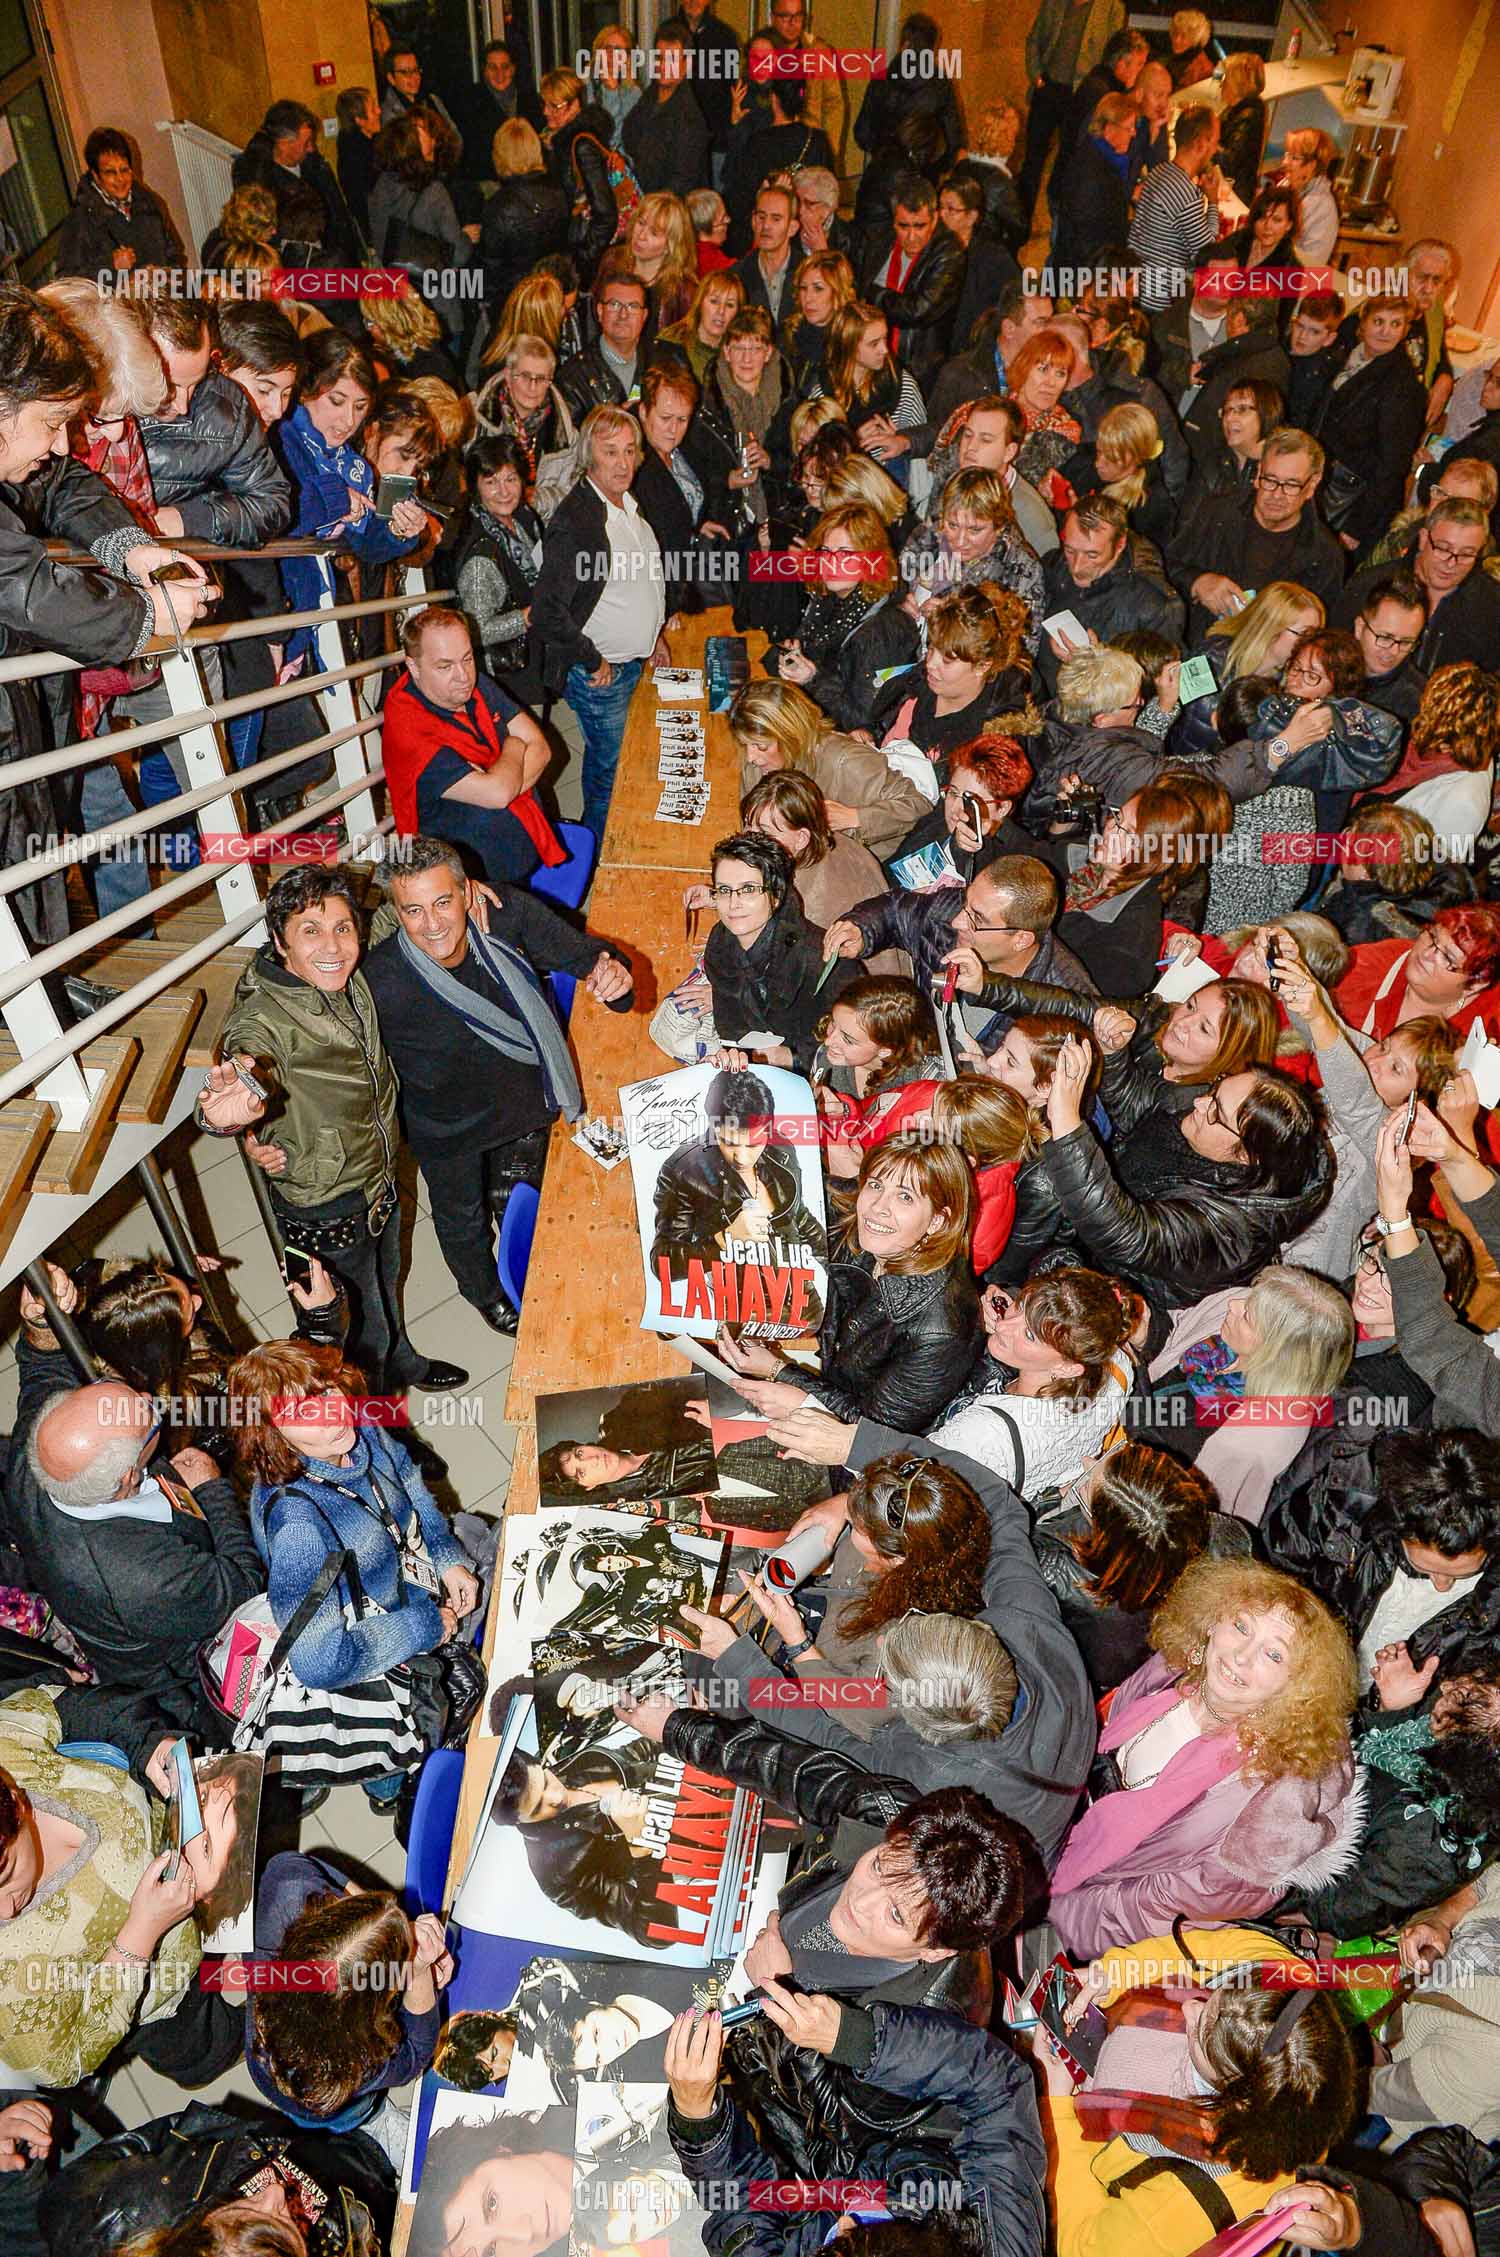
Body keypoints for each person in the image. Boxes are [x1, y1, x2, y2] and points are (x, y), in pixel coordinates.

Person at [197, 866, 466, 1393]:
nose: (333, 947)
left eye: (343, 928)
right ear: (279, 943)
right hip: (323, 1202)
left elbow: (401, 911)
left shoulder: (346, 969)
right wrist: (222, 1112)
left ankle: (403, 1363)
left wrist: (462, 893)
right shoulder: (264, 1017)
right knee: (351, 1336)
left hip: (376, 1176)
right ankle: (380, 1417)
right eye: (311, 931)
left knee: (387, 1289)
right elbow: (248, 1058)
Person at [363, 835, 633, 1330]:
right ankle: (485, 1295)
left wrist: (612, 973)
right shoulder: (378, 981)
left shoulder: (505, 916)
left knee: (532, 1206)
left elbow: (583, 955)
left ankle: (531, 1272)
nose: (433, 924)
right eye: (414, 910)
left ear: (469, 893)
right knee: (462, 1221)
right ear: (397, 913)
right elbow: (328, 1054)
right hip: (446, 1130)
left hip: (524, 1104)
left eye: (443, 901)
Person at [1047, 1555, 1362, 1954]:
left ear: (1297, 1686)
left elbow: (1147, 1915)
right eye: (1241, 1626)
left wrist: (1042, 1913)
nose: (1241, 1657)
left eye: (1274, 1655)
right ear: (1214, 1620)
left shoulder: (1263, 1817)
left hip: (1067, 1920)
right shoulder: (1175, 1670)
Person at [6, 1262, 262, 1728]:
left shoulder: (41, 1445)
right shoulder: (146, 1577)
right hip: (178, 1667)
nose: (146, 1398)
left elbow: (43, 1370)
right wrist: (213, 1490)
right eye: (148, 1419)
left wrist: (42, 1322)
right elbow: (242, 1587)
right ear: (127, 1478)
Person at [228, 1334, 479, 1801]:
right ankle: (387, 1787)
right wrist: (424, 1626)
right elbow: (320, 1662)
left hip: (408, 1588)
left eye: (325, 1391)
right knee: (397, 1740)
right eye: (301, 1414)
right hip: (379, 1643)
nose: (331, 1414)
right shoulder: (297, 1526)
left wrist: (445, 1555)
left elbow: (405, 1477)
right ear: (272, 1434)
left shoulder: (356, 1422)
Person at [1037, 1924, 1360, 2257]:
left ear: (1235, 2101)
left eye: (1201, 2030)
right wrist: (1115, 1973)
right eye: (1216, 1990)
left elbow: (1081, 2245)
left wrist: (1057, 2106)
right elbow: (1204, 1950)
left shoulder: (1195, 2206)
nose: (1190, 2004)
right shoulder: (1281, 1990)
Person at [666, 1998, 1047, 2257]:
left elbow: (739, 2207)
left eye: (834, 2245)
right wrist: (855, 2037)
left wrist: (696, 2113)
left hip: (829, 2161)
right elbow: (998, 2087)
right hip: (929, 2134)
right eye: (862, 2232)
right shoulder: (1005, 2246)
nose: (846, 2218)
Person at [0, 1686, 242, 2088]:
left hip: (207, 1878)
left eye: (4, 1875)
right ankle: (222, 2051)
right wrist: (139, 1935)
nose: (6, 1913)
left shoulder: (7, 1744)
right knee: (199, 2043)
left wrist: (145, 1745)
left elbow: (66, 1706)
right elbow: (66, 2062)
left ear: (11, 1796)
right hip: (162, 1993)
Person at [1039, 1032, 1333, 1332]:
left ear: (1246, 1157)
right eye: (1217, 1087)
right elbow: (1140, 1101)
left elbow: (1124, 1232)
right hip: (1081, 1225)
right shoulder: (1206, 1118)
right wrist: (1114, 1054)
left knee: (1038, 1188)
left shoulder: (1233, 1232)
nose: (1200, 1101)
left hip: (1106, 1289)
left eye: (1216, 1111)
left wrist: (1065, 1121)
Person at [718, 1134, 979, 1433]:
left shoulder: (941, 1329)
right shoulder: (877, 1229)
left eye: (905, 1196)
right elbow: (796, 1188)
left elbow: (875, 1430)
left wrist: (779, 1371)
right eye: (876, 1185)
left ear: (938, 1221)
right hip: (818, 1372)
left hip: (842, 1445)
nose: (878, 1207)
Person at [1265, 1424, 1500, 1709]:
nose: (1441, 1586)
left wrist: (1389, 1709)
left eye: (1462, 1575)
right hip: (1285, 1673)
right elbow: (1274, 1570)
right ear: (1399, 1528)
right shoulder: (1343, 1502)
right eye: (1426, 1569)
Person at [531, 402, 671, 842]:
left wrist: (655, 637)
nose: (623, 462)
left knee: (619, 761)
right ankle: (600, 855)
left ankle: (607, 841)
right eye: (611, 452)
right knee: (609, 774)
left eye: (630, 451)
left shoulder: (625, 505)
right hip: (601, 673)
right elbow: (547, 610)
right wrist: (591, 661)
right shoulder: (578, 521)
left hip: (632, 661)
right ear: (590, 455)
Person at [246, 1852, 452, 2127]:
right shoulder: (353, 2063)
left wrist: (375, 1930)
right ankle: (367, 2120)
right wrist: (419, 1970)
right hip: (315, 2097)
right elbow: (416, 2052)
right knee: (349, 2114)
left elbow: (299, 1864)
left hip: (263, 2058)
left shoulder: (289, 1888)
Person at [1147, 1264, 1357, 1524]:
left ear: (1275, 1352)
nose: (1233, 1304)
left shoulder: (1248, 1442)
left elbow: (1188, 1516)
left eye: (1247, 1315)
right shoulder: (1242, 1353)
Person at [830, 852, 1097, 1046]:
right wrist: (861, 929)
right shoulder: (954, 910)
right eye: (966, 903)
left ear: (1021, 940)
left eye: (977, 919)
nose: (958, 921)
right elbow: (896, 911)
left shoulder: (1064, 1002)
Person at [380, 605, 559, 887]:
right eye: (444, 666)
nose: (463, 675)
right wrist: (513, 746)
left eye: (467, 659)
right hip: (470, 885)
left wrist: (503, 781)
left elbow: (541, 748)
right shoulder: (409, 731)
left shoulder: (472, 685)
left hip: (518, 858)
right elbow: (498, 793)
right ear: (413, 667)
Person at [931, 1267, 1140, 1498]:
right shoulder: (1118, 1366)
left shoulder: (982, 1435)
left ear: (1066, 1367)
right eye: (1019, 1305)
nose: (1002, 1325)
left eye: (1029, 1335)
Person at [1032, 1440, 1223, 1692]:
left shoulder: (1050, 1566)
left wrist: (1048, 1501)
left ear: (1105, 1530)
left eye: (1089, 1485)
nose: (1086, 1461)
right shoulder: (1193, 1540)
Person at [700, 829, 859, 1073]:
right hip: (761, 1062)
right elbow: (729, 1025)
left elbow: (862, 1042)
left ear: (775, 896)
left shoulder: (821, 958)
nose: (733, 903)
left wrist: (792, 1057)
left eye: (749, 889)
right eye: (724, 890)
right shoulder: (720, 944)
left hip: (822, 1070)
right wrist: (736, 1056)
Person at [1169, 428, 1344, 644]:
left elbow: (1316, 640)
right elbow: (1168, 566)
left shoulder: (1324, 556)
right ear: (1258, 473)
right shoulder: (1217, 511)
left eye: (1291, 485)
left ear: (1312, 486)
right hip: (1198, 649)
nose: (1277, 495)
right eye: (1270, 480)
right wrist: (1198, 582)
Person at [771, 501, 921, 734]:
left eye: (844, 554)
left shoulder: (883, 629)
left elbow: (864, 720)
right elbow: (799, 645)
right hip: (812, 716)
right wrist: (791, 652)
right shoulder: (830, 596)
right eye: (826, 552)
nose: (830, 563)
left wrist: (812, 678)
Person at [1316, 292, 1430, 559]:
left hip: (1351, 498)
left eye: (1396, 324)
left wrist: (1357, 526)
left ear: (1405, 331)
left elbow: (1393, 465)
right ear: (1363, 323)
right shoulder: (1347, 356)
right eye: (1379, 321)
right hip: (1324, 480)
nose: (1385, 331)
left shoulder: (1403, 386)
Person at [1337, 495, 1500, 676]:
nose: (1451, 563)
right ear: (1423, 538)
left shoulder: (1490, 605)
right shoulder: (1370, 585)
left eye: (1467, 554)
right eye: (1443, 548)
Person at [1037, 495, 1179, 692]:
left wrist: (1095, 666)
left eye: (1092, 555)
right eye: (1070, 550)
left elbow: (1162, 689)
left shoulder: (1154, 605)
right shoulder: (1053, 566)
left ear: (1119, 545)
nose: (1077, 566)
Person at [1018, 0, 1130, 228]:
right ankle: (1020, 223)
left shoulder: (1111, 8)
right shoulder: (1054, 3)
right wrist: (1037, 77)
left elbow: (1113, 55)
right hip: (1048, 89)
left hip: (1081, 94)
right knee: (1032, 160)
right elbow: (1033, 40)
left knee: (1069, 158)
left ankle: (1060, 223)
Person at [857, 173, 965, 392]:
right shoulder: (881, 240)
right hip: (872, 360)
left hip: (918, 367)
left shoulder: (949, 251)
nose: (911, 236)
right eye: (903, 226)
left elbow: (918, 310)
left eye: (920, 226)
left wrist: (874, 295)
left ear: (934, 219)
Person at [1334, 901, 1500, 1041]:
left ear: (1475, 985)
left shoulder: (1487, 1034)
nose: (1427, 954)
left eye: (1448, 958)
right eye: (1432, 936)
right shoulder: (1369, 963)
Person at [232, 97, 361, 269]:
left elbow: (338, 216)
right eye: (306, 143)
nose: (312, 148)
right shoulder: (257, 178)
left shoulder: (314, 165)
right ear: (284, 144)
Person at [53, 127, 186, 281]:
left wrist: (165, 275)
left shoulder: (150, 203)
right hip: (114, 304)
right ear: (95, 175)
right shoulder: (81, 220)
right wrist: (111, 266)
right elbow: (67, 283)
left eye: (124, 170)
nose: (120, 179)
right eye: (110, 172)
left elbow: (174, 256)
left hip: (159, 300)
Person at [1127, 107, 1222, 313]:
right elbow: (1207, 256)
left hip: (1134, 285)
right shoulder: (1186, 194)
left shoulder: (1159, 171)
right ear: (1200, 144)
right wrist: (1213, 202)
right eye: (1214, 143)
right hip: (1156, 299)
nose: (1216, 150)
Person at [478, 118, 571, 327]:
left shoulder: (498, 206)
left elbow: (490, 273)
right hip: (551, 298)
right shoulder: (559, 192)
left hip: (515, 306)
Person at [1049, 93, 1136, 275]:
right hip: (1086, 271)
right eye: (1129, 128)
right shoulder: (1092, 176)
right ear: (1110, 130)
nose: (1134, 133)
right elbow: (1087, 240)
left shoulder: (1102, 155)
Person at [621, 25, 709, 200]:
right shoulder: (650, 95)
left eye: (672, 60)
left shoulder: (689, 115)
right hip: (644, 197)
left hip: (669, 211)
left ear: (687, 64)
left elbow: (683, 181)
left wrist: (651, 206)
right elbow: (629, 137)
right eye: (659, 58)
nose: (663, 65)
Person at [1282, 128, 1341, 267]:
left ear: (1311, 166)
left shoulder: (1321, 206)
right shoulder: (1290, 184)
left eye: (1294, 158)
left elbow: (1308, 265)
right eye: (1286, 155)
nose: (1285, 162)